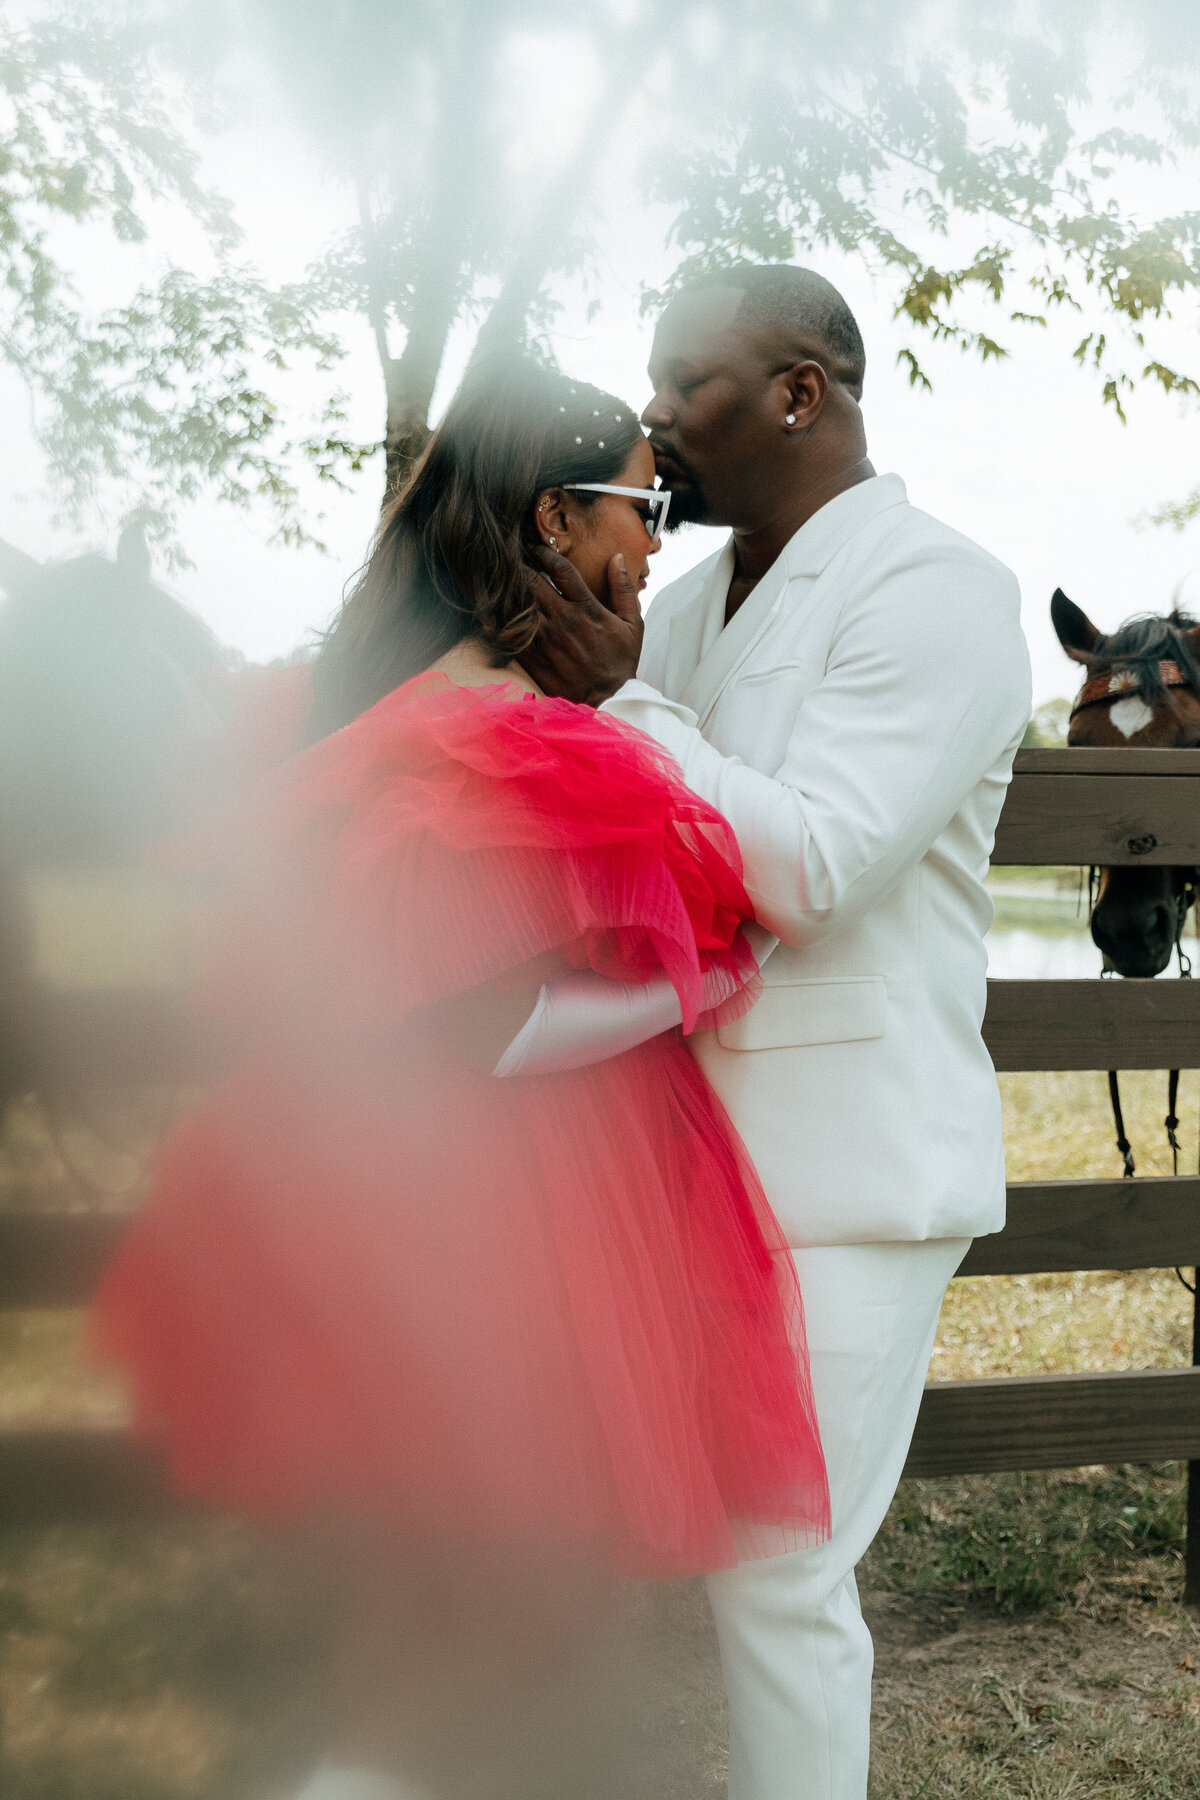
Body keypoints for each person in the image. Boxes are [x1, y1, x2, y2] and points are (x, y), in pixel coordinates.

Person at [90, 354, 830, 1800]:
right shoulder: (505, 735)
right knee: (491, 1631)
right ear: (555, 519)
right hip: (504, 1214)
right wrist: (704, 983)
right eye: (642, 502)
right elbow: (473, 1027)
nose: (654, 537)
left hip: (413, 1198)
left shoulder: (404, 708)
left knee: (448, 1626)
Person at [520, 265, 1033, 1800]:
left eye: (689, 379)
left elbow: (810, 866)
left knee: (778, 1573)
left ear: (802, 391)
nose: (657, 416)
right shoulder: (680, 610)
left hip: (847, 1170)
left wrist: (622, 708)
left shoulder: (941, 588)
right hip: (680, 1164)